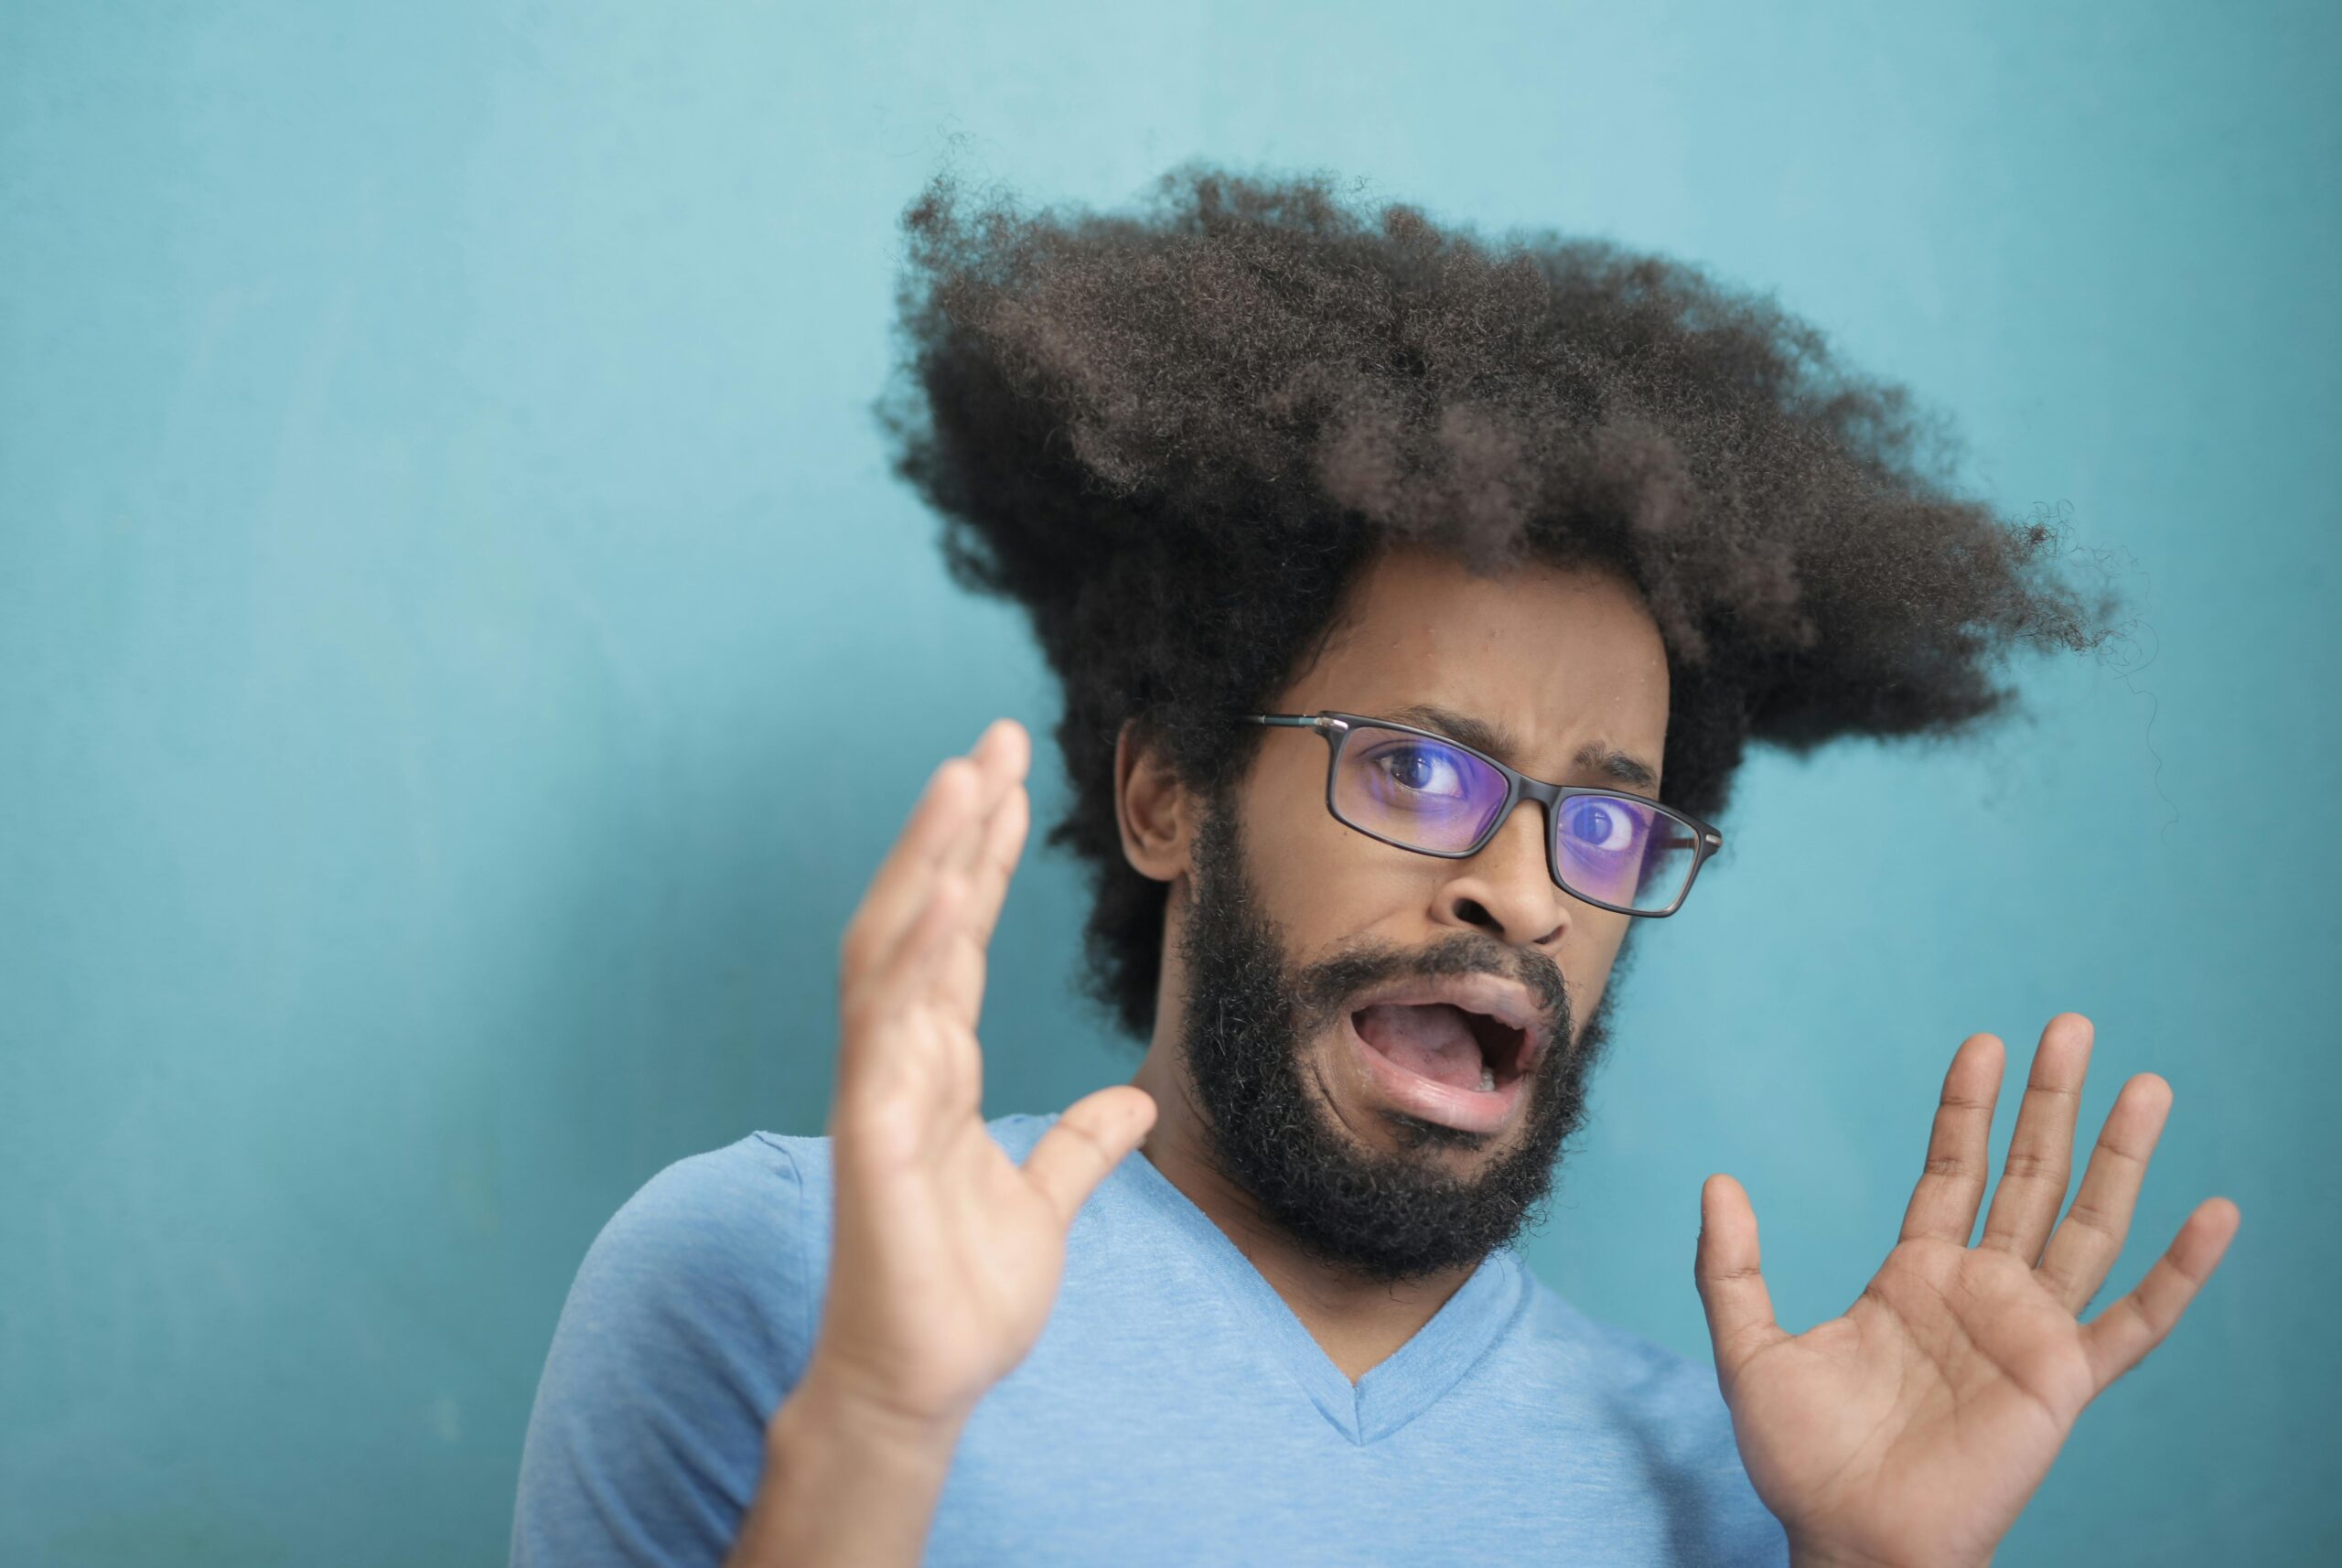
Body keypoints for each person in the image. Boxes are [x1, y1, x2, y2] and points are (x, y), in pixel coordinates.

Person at [510, 165, 2240, 1568]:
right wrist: (882, 1421)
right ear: (1173, 793)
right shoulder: (767, 1276)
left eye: (1608, 815)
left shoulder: (1759, 1490)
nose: (1531, 892)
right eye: (1419, 766)